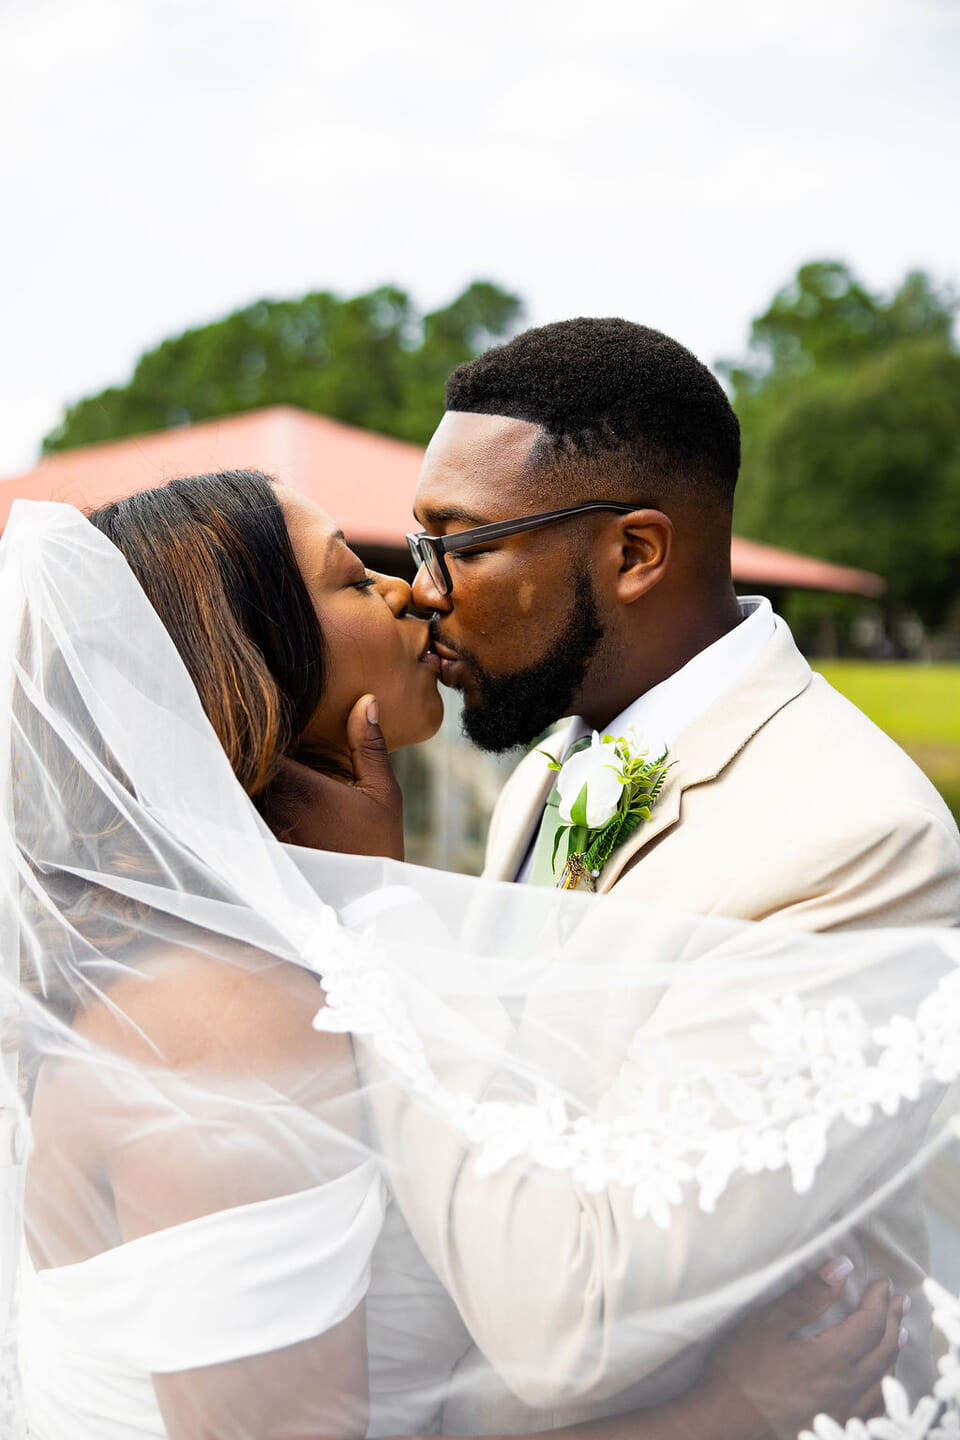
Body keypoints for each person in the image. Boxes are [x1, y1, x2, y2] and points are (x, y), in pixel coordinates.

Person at [0, 476, 917, 1440]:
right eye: (355, 579)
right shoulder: (219, 1019)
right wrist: (729, 1413)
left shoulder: (262, 953)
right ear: (255, 661)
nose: (410, 590)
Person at [358, 317, 960, 1429]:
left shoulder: (855, 840)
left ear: (635, 553)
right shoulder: (552, 766)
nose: (423, 589)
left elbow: (580, 1320)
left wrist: (380, 934)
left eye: (463, 545)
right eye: (418, 543)